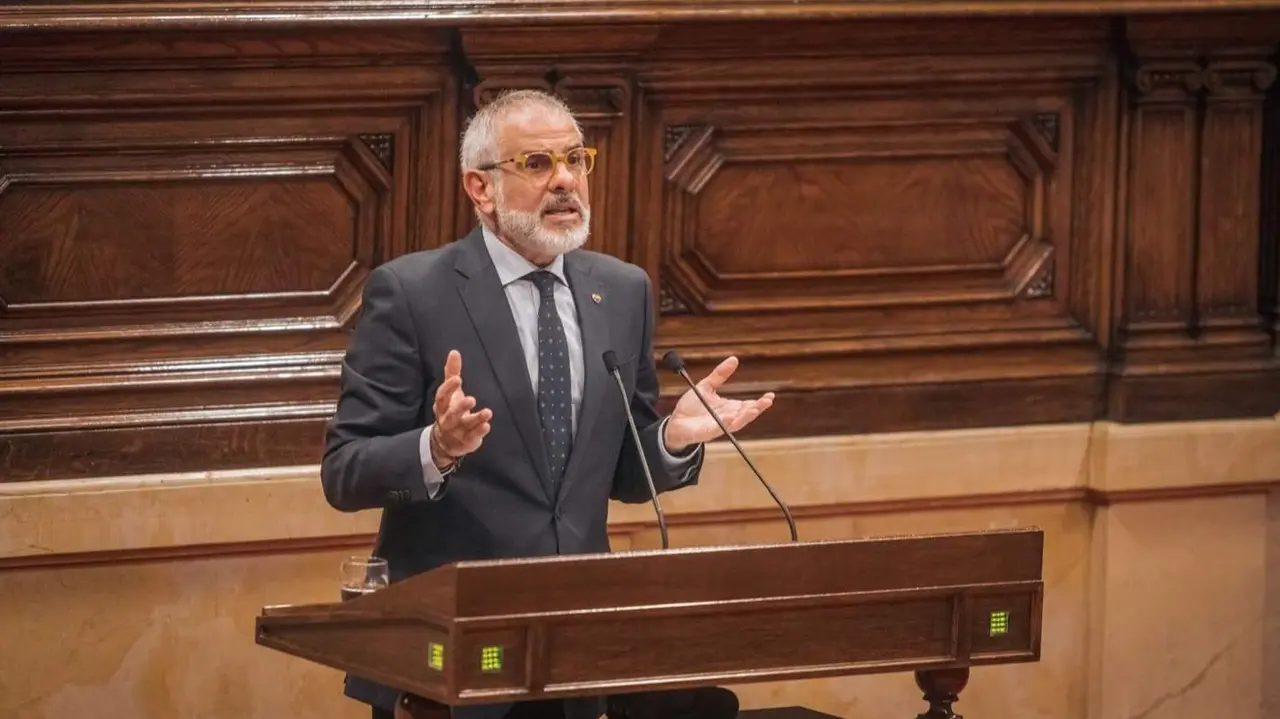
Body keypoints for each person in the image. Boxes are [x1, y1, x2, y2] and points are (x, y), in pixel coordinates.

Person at [321, 89, 775, 719]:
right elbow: (345, 472)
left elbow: (619, 473)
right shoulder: (412, 292)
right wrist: (436, 447)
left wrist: (671, 438)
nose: (565, 180)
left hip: (578, 655)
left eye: (575, 160)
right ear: (480, 189)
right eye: (537, 164)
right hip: (449, 659)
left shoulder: (622, 291)